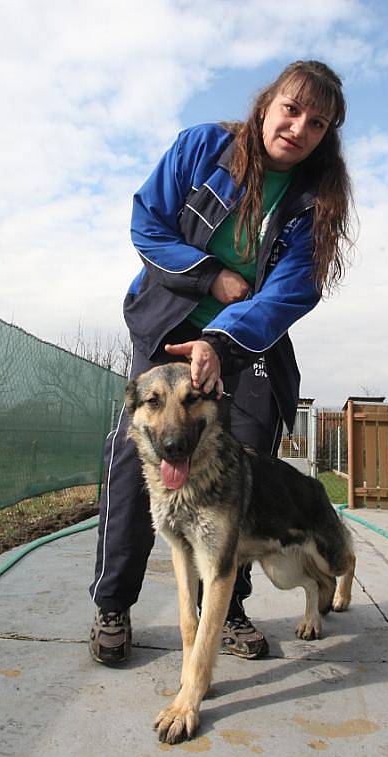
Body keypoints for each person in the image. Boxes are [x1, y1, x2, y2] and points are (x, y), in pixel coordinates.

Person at [89, 60, 355, 664]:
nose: (298, 128)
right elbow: (147, 223)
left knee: (247, 455)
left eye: (317, 122)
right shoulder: (203, 146)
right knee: (139, 455)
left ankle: (228, 605)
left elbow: (292, 291)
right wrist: (213, 275)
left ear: (327, 133)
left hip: (242, 339)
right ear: (267, 104)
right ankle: (113, 605)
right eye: (291, 109)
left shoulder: (317, 200)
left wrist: (224, 335)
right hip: (168, 321)